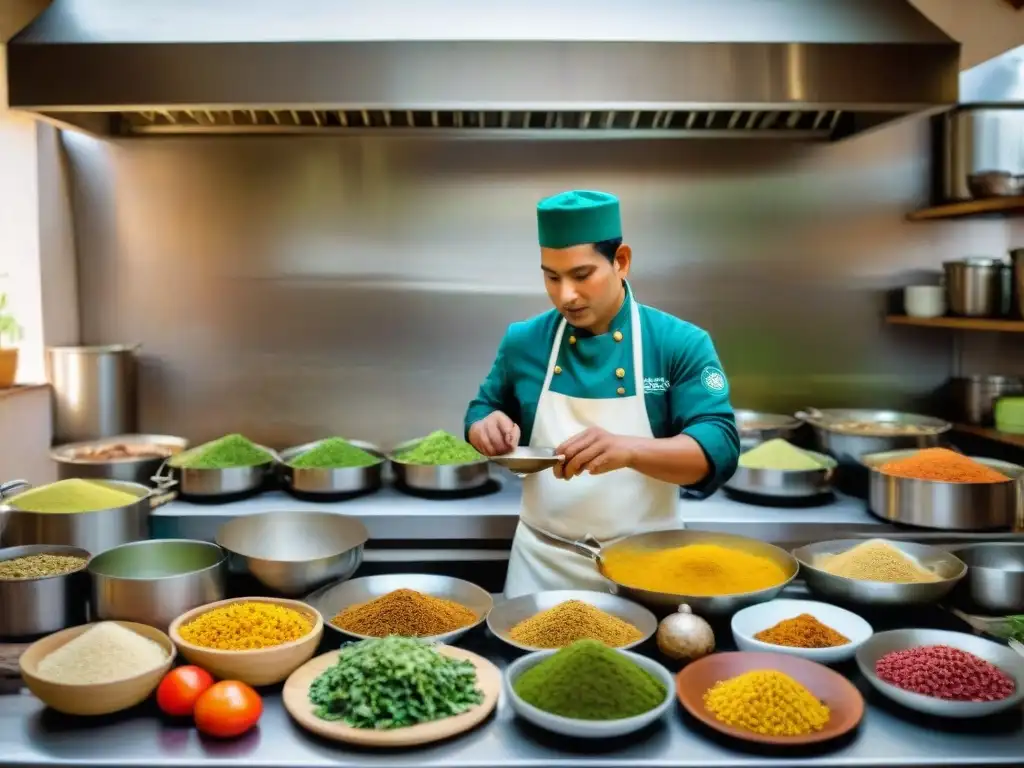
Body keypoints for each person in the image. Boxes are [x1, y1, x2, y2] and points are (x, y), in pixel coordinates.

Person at [464, 189, 740, 599]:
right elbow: (482, 409)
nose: (565, 296)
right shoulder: (524, 341)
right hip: (541, 568)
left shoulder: (678, 343)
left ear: (621, 261)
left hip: (648, 570)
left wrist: (629, 449)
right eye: (551, 277)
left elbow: (719, 447)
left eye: (581, 275)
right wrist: (484, 427)